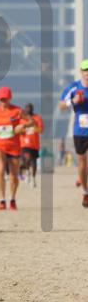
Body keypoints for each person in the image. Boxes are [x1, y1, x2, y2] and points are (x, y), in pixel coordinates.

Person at [0, 86, 33, 211]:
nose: (3, 101)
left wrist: (22, 126)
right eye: (1, 99)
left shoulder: (17, 111)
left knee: (13, 175)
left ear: (10, 98)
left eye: (5, 99)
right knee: (0, 169)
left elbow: (31, 121)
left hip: (13, 146)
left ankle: (12, 199)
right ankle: (1, 200)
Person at [59, 60, 88, 207]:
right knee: (82, 161)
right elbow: (61, 105)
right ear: (81, 72)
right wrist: (73, 100)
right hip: (80, 130)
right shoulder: (74, 87)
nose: (87, 73)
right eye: (85, 70)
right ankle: (85, 192)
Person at [20, 103, 43, 188]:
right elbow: (19, 130)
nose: (28, 109)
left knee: (34, 162)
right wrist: (23, 130)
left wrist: (33, 127)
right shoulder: (22, 119)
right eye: (27, 108)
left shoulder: (37, 118)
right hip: (25, 143)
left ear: (32, 109)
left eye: (30, 108)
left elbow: (40, 130)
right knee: (27, 158)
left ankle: (33, 178)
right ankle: (27, 172)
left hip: (34, 144)